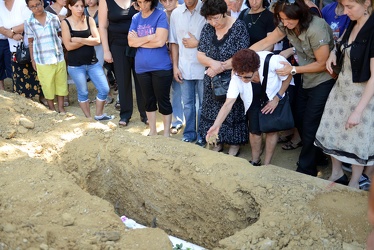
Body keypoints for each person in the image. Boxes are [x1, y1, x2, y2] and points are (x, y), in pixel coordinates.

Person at [250, 0, 334, 176]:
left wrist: (293, 69)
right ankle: (319, 157)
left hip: (322, 80)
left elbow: (322, 64)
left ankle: (305, 169)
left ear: (300, 15)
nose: (285, 24)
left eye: (289, 20)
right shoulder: (286, 23)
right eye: (282, 19)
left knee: (310, 124)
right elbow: (268, 41)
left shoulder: (315, 28)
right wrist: (244, 57)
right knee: (300, 118)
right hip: (305, 78)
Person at [315, 0, 374, 189]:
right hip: (341, 89)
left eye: (350, 7)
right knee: (333, 132)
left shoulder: (372, 30)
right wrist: (334, 52)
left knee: (357, 138)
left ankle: (355, 181)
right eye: (344, 6)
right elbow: (342, 44)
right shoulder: (352, 22)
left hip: (362, 93)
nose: (345, 12)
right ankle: (337, 173)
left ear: (366, 4)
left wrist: (358, 111)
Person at [207, 49, 292, 165]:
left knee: (272, 130)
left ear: (256, 69)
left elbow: (288, 77)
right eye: (240, 76)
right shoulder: (238, 74)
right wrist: (216, 125)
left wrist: (277, 99)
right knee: (254, 131)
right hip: (252, 98)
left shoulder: (273, 61)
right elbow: (228, 104)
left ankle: (267, 164)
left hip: (272, 95)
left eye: (246, 77)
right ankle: (255, 160)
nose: (243, 80)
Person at [197, 0, 250, 156]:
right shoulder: (207, 28)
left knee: (233, 110)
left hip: (233, 77)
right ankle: (217, 141)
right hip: (212, 79)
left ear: (224, 12)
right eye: (210, 19)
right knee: (212, 110)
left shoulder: (239, 27)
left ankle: (234, 144)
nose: (214, 22)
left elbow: (241, 56)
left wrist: (219, 67)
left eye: (216, 18)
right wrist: (214, 64)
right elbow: (200, 55)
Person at [61, 0, 114, 120]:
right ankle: (89, 118)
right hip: (75, 65)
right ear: (70, 6)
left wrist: (78, 39)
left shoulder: (89, 20)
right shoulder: (65, 22)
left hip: (92, 62)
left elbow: (97, 40)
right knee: (83, 92)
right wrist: (87, 40)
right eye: (76, 6)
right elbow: (68, 46)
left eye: (81, 6)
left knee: (104, 89)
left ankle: (99, 114)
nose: (80, 8)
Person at [98, 0, 148, 127]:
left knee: (141, 78)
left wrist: (141, 8)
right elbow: (103, 26)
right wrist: (106, 50)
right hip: (117, 45)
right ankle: (125, 114)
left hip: (138, 43)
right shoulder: (105, 1)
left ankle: (146, 113)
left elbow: (148, 15)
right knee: (122, 79)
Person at [128, 0, 173, 137]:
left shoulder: (160, 15)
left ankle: (166, 132)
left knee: (163, 99)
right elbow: (130, 42)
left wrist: (139, 41)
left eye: (145, 1)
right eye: (140, 2)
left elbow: (160, 41)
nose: (143, 5)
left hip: (161, 66)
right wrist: (149, 37)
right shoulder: (136, 17)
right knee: (148, 100)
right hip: (141, 67)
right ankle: (152, 130)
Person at [169, 0, 206, 145]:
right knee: (188, 104)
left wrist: (198, 43)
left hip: (204, 66)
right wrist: (175, 67)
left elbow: (215, 38)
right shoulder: (176, 14)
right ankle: (190, 133)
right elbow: (174, 42)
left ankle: (203, 134)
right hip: (184, 66)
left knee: (204, 104)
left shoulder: (206, 10)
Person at [25, 0, 68, 113]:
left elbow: (60, 34)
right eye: (32, 6)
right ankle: (52, 108)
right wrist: (32, 59)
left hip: (58, 56)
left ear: (42, 3)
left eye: (38, 4)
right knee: (47, 85)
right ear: (28, 8)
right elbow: (30, 42)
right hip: (42, 59)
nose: (36, 8)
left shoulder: (53, 18)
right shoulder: (29, 22)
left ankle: (61, 108)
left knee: (61, 83)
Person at [0, 0, 43, 101]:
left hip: (32, 46)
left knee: (37, 73)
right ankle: (26, 102)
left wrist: (11, 31)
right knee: (20, 77)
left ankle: (42, 98)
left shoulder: (21, 3)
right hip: (15, 48)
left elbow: (29, 22)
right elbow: (0, 27)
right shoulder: (0, 5)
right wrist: (12, 34)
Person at [160, 0, 185, 135]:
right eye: (164, 0)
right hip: (164, 56)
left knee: (180, 89)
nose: (168, 2)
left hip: (183, 55)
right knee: (170, 91)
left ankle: (180, 120)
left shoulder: (183, 11)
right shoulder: (160, 15)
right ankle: (174, 120)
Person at [84, 0, 114, 105]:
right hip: (87, 45)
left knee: (100, 69)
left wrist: (94, 30)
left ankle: (107, 94)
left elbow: (106, 26)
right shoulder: (82, 11)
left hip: (101, 44)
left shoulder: (103, 9)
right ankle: (102, 94)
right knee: (93, 70)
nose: (89, 0)